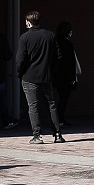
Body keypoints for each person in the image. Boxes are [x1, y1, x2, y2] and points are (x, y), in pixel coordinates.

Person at [14, 11, 64, 145]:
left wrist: (20, 72)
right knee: (51, 105)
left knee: (33, 106)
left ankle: (37, 135)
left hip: (29, 77)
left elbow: (20, 59)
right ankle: (58, 134)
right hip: (46, 76)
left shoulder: (24, 38)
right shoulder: (50, 35)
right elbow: (59, 56)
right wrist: (51, 70)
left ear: (29, 22)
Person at [52, 21, 81, 125]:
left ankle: (57, 118)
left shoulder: (54, 41)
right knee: (64, 98)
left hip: (56, 75)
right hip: (65, 76)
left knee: (56, 98)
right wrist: (72, 77)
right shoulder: (67, 44)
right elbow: (70, 62)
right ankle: (59, 119)